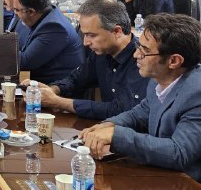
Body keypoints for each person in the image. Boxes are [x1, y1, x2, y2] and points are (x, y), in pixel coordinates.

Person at [80, 14, 201, 181]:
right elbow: (140, 113)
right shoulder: (158, 79)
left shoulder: (196, 93)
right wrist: (109, 125)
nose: (136, 54)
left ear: (173, 61)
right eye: (138, 46)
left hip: (188, 188)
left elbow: (179, 152)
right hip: (161, 178)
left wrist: (116, 136)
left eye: (145, 50)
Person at [30, 0, 149, 119]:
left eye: (91, 35)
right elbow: (76, 80)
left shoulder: (143, 60)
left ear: (117, 31)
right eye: (84, 35)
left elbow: (122, 110)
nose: (85, 42)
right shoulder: (101, 52)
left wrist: (58, 102)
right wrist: (52, 90)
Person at [14, 0, 85, 84]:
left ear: (31, 12)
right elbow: (20, 44)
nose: (15, 14)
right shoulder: (44, 15)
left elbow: (25, 62)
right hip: (41, 82)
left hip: (58, 87)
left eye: (17, 10)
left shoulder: (54, 27)